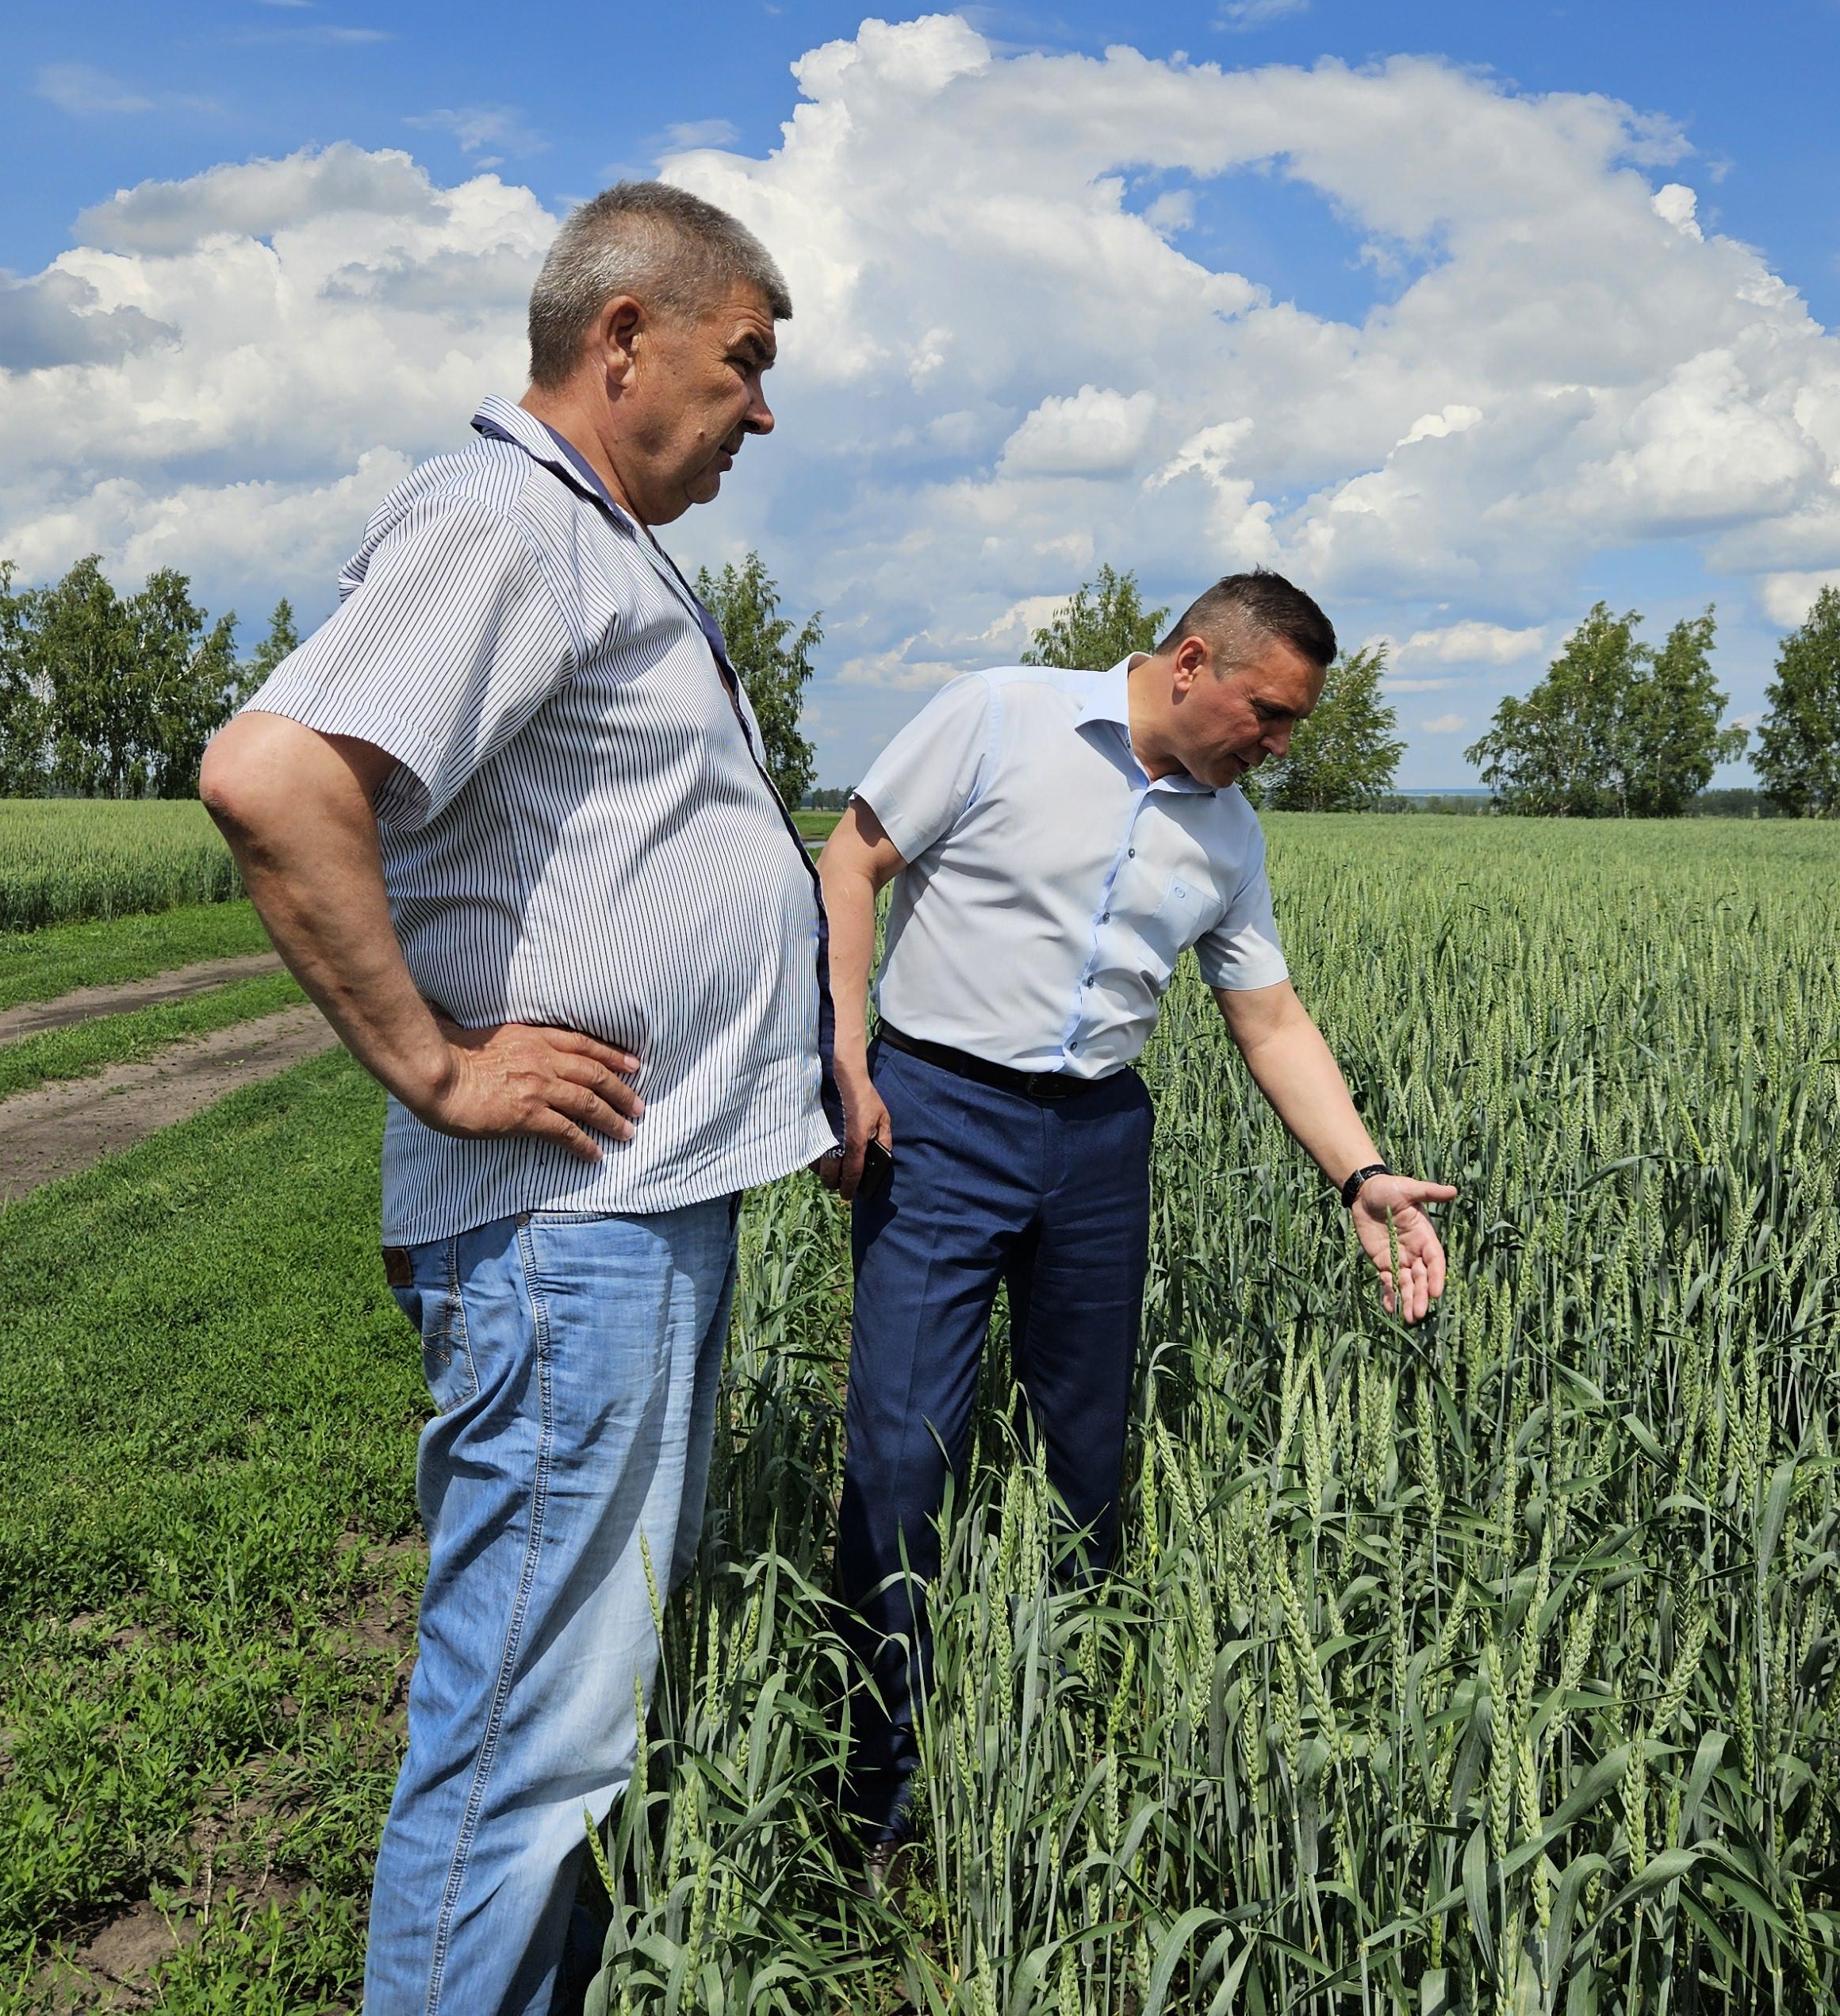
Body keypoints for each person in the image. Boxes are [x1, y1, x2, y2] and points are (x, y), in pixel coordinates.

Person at [197, 182, 831, 2016]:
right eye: (744, 364)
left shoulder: (586, 537)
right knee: (528, 1733)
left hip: (626, 1210)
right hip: (574, 1234)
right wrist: (432, 1059)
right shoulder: (503, 522)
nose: (761, 414)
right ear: (619, 337)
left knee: (570, 1706)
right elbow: (270, 772)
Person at [814, 571, 1455, 1854]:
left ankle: (1057, 1737)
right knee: (900, 1454)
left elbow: (1266, 1014)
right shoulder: (999, 716)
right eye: (1266, 714)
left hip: (1101, 1137)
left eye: (1291, 729)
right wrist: (844, 1055)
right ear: (1190, 663)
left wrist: (1361, 1174)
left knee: (1086, 1457)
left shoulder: (1228, 835)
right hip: (938, 1114)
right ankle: (869, 1798)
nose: (1275, 746)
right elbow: (853, 858)